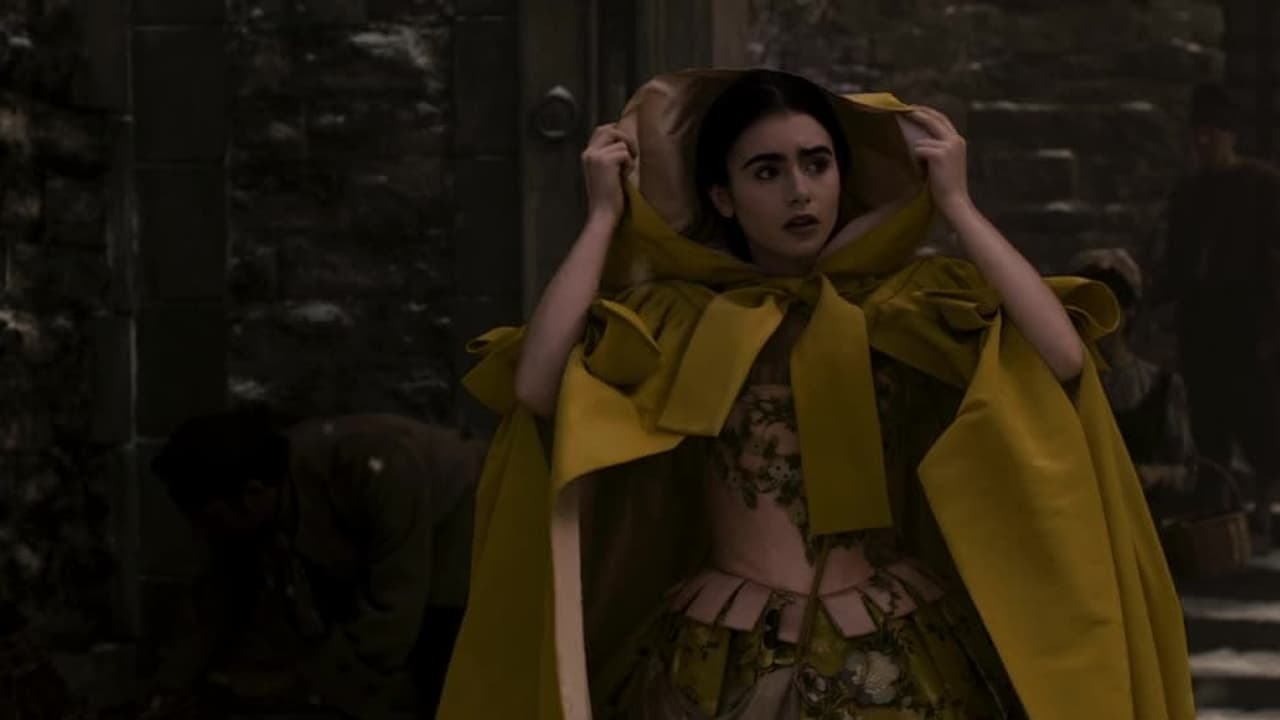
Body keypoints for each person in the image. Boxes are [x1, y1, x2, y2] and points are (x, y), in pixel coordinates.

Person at [440, 69, 1192, 719]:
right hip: (723, 649)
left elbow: (1062, 356)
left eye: (817, 163)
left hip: (894, 641)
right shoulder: (684, 318)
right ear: (723, 196)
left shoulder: (899, 306)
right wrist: (604, 217)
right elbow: (537, 387)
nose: (800, 191)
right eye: (766, 171)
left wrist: (958, 205)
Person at [144, 406, 484, 720]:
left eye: (208, 519)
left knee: (440, 659)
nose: (201, 532)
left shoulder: (372, 466)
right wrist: (171, 683)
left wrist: (298, 683)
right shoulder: (251, 505)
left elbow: (393, 611)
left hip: (468, 519)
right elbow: (213, 596)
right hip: (395, 536)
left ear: (251, 494)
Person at [1158, 82, 1280, 550]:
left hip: (1247, 321)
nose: (1204, 141)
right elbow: (1177, 258)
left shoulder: (1262, 185)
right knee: (1208, 420)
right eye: (1199, 132)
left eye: (1213, 132)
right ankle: (1220, 519)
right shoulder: (1190, 192)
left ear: (1230, 134)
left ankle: (1263, 510)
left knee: (1257, 416)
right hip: (1201, 321)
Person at [1068, 248, 1198, 519]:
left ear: (1128, 311)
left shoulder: (1161, 386)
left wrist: (1153, 474)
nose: (1094, 318)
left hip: (1142, 522)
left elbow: (1189, 471)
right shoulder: (1063, 382)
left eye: (1104, 306)